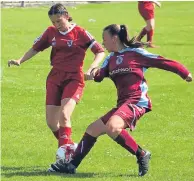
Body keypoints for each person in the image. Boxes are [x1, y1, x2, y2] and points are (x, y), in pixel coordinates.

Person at [50, 24, 192, 176]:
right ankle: (71, 166)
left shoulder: (136, 53)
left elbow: (164, 62)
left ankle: (141, 154)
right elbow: (100, 75)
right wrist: (91, 74)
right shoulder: (110, 58)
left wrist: (185, 73)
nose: (103, 43)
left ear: (114, 38)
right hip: (123, 103)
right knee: (92, 130)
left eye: (105, 39)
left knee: (113, 127)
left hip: (137, 101)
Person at [8, 4, 105, 153]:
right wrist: (20, 60)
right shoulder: (50, 32)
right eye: (53, 22)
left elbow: (100, 51)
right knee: (52, 123)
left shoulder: (81, 32)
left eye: (59, 21)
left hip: (74, 78)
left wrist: (93, 66)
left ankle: (64, 155)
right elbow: (36, 48)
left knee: (64, 115)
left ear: (66, 15)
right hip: (54, 78)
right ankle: (70, 148)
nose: (56, 25)